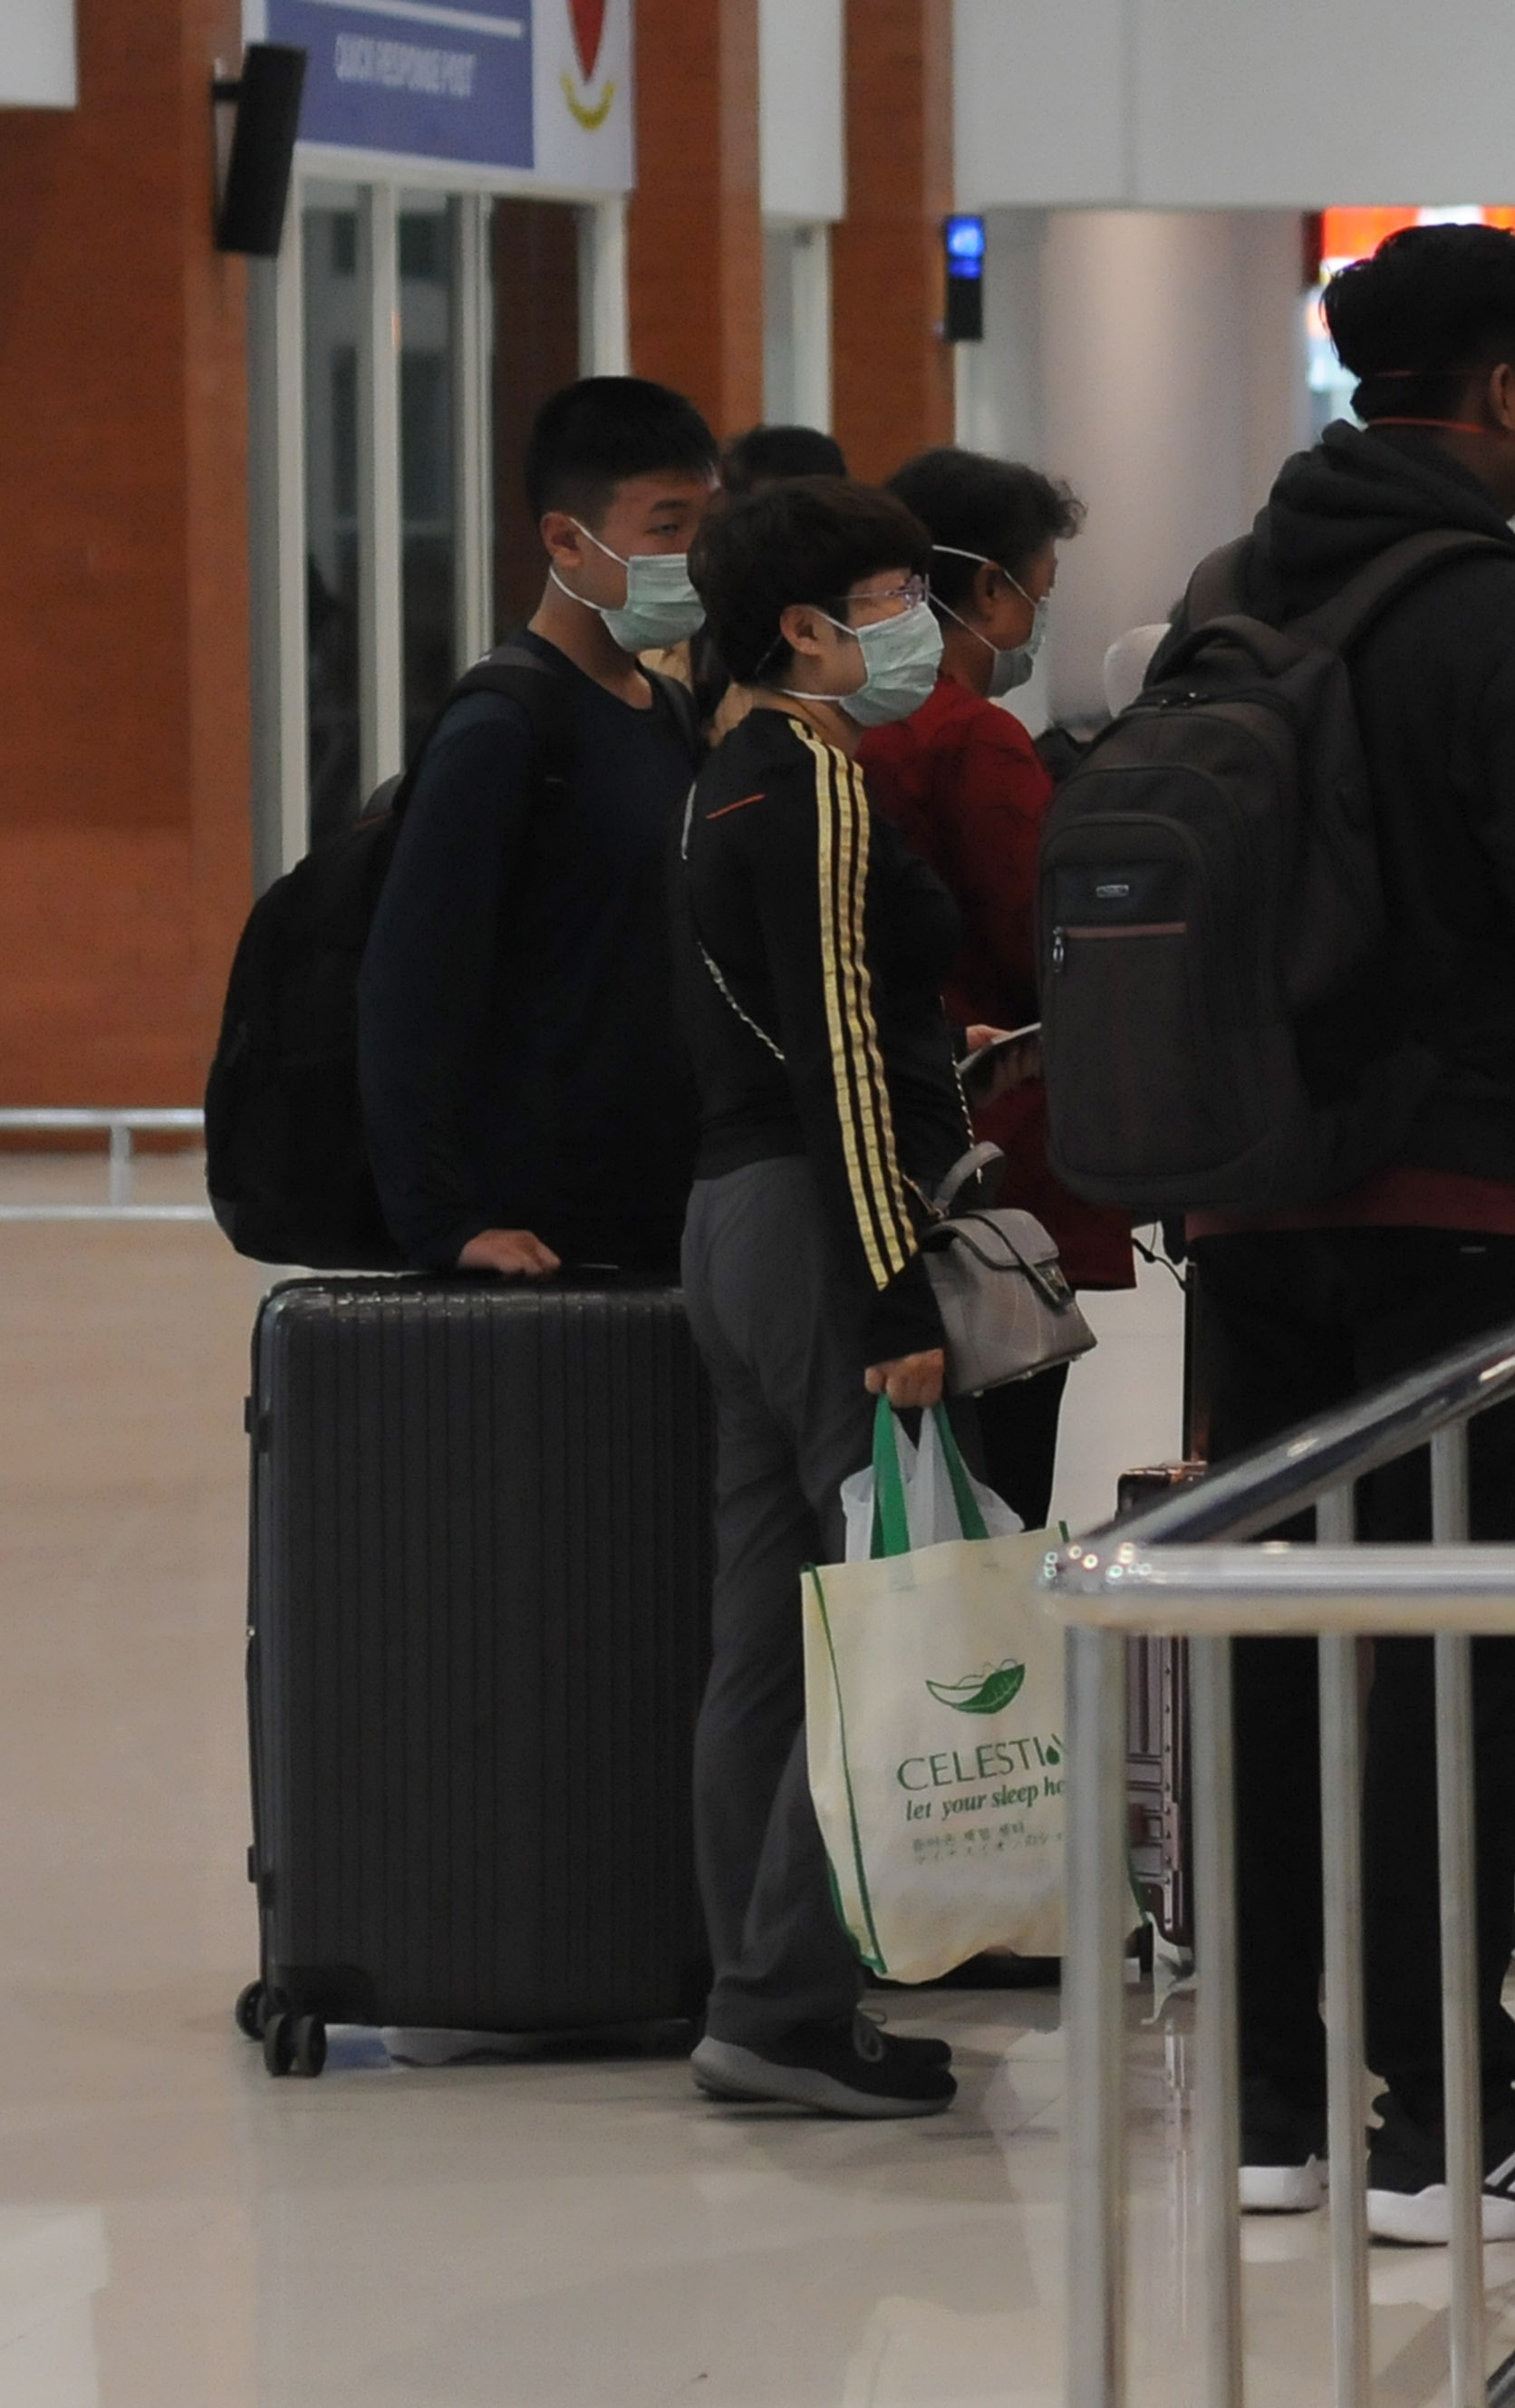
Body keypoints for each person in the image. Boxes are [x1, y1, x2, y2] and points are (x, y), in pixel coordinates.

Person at [1180, 222, 1515, 2240]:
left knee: (1279, 1646)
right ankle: (1444, 2110)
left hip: (1252, 1193)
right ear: (1492, 395)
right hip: (1472, 1202)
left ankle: (1271, 2104)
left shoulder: (1240, 585)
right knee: (1446, 1656)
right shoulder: (1500, 618)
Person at [675, 475, 973, 2119]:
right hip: (812, 1225)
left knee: (762, 1633)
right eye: (886, 594)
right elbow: (840, 1055)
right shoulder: (811, 775)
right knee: (861, 1615)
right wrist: (891, 1295)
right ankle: (785, 2003)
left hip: (722, 1218)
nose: (906, 623)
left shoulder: (715, 776)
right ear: (801, 626)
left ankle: (754, 1979)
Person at [358, 375, 717, 1280]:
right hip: (548, 1226)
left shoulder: (670, 713)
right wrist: (443, 1220)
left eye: (704, 526)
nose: (694, 554)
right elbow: (409, 985)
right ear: (566, 537)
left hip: (666, 1204)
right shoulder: (503, 729)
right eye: (667, 527)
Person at [862, 444, 1127, 1529]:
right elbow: (1040, 943)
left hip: (875, 1159)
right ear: (983, 587)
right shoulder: (975, 740)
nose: (1032, 627)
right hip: (996, 1168)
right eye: (1035, 597)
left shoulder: (843, 729)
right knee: (998, 1498)